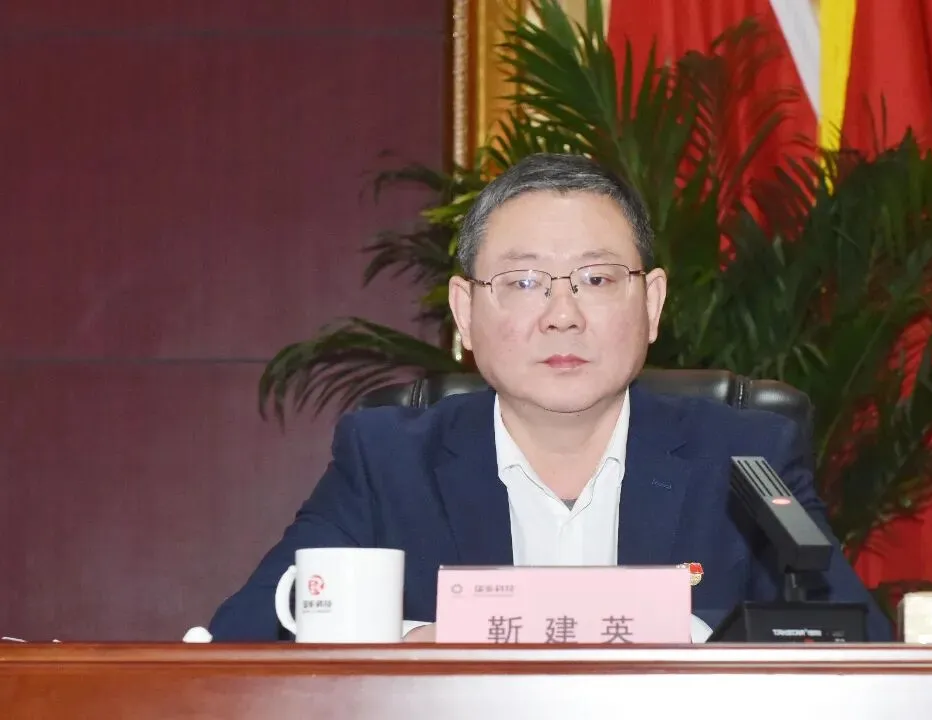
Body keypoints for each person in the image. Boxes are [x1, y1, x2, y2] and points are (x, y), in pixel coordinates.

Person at [207, 152, 892, 642]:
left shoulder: (742, 456)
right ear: (464, 312)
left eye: (596, 280)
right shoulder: (387, 461)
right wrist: (415, 645)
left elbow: (861, 655)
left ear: (652, 303)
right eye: (525, 283)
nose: (563, 316)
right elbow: (239, 644)